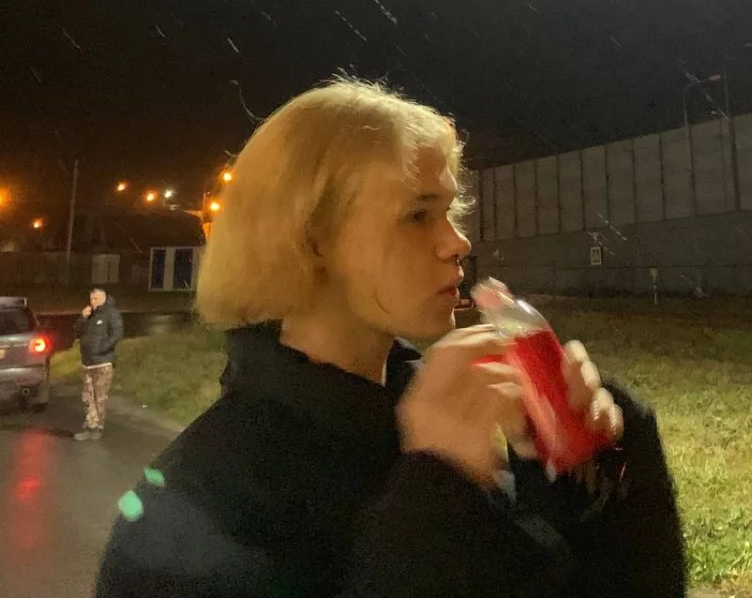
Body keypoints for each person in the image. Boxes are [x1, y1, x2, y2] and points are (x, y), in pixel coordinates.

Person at [96, 79, 686, 598]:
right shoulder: (198, 503)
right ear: (311, 239)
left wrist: (587, 470)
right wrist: (436, 500)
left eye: (450, 211)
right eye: (417, 215)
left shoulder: (440, 427)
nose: (458, 242)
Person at [73, 287, 124, 441]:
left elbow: (117, 334)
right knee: (87, 396)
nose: (92, 302)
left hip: (102, 363)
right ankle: (91, 424)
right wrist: (82, 317)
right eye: (91, 298)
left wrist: (101, 349)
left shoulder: (111, 313)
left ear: (103, 298)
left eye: (95, 298)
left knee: (99, 397)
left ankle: (97, 427)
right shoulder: (90, 314)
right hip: (87, 363)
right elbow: (76, 331)